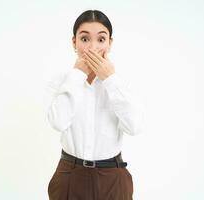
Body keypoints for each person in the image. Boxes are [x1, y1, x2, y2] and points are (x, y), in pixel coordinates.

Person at [44, 9, 146, 200]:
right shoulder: (60, 82)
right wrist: (77, 75)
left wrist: (110, 79)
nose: (92, 47)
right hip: (70, 176)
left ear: (110, 43)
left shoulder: (122, 84)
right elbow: (58, 122)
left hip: (112, 177)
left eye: (100, 39)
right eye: (84, 39)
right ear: (74, 42)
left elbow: (135, 127)